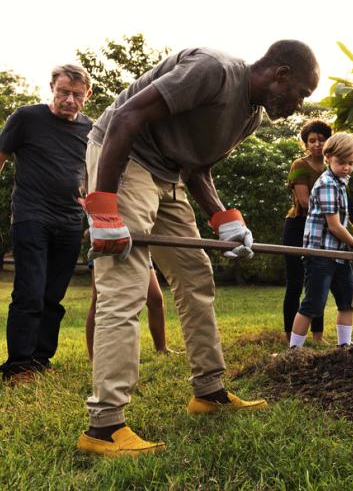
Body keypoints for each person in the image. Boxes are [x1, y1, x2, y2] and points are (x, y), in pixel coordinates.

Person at [76, 41, 320, 457]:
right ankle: (104, 426)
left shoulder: (251, 117)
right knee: (126, 284)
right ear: (280, 73)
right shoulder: (214, 71)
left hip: (169, 174)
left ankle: (208, 391)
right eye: (300, 93)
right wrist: (104, 207)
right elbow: (126, 115)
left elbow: (196, 167)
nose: (298, 106)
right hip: (125, 158)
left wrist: (225, 220)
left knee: (196, 277)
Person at [0, 64, 93, 385]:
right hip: (31, 216)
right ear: (52, 88)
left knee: (53, 295)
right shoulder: (26, 118)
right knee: (30, 290)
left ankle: (41, 358)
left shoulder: (90, 130)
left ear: (87, 95)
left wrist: (95, 214)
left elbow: (91, 175)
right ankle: (18, 365)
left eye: (77, 95)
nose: (69, 100)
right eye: (63, 92)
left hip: (69, 221)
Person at [289, 132, 353, 349]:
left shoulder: (341, 182)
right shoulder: (327, 183)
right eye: (341, 163)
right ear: (328, 158)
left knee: (347, 301)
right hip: (321, 253)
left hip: (339, 253)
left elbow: (340, 219)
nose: (347, 168)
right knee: (313, 303)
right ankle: (294, 350)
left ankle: (345, 346)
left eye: (351, 163)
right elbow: (334, 226)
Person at [282, 120, 332, 343]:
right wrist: (332, 217)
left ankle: (318, 336)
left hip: (325, 228)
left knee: (318, 281)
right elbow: (304, 201)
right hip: (298, 226)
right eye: (312, 140)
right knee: (295, 282)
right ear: (306, 144)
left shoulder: (334, 166)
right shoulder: (299, 165)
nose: (317, 144)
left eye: (321, 139)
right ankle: (289, 335)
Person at [86, 258, 172, 361]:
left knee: (155, 298)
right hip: (108, 248)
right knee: (98, 300)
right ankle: (94, 357)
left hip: (139, 251)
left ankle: (161, 349)